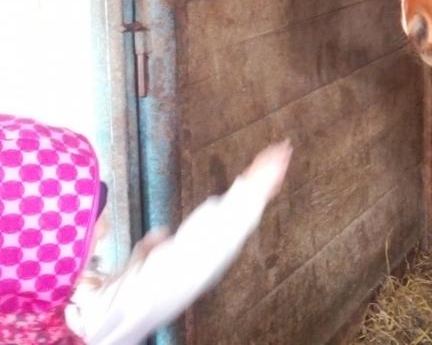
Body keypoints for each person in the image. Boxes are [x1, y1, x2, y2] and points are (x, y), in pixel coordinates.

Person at [0, 113, 291, 345]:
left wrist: (137, 263)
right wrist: (250, 193)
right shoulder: (53, 333)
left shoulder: (25, 317)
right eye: (82, 225)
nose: (104, 229)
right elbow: (150, 294)